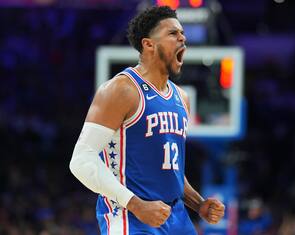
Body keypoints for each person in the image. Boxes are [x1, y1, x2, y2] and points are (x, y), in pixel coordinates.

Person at [69, 5, 225, 235]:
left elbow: (170, 169)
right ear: (148, 44)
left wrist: (198, 203)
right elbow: (81, 160)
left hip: (176, 217)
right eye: (173, 33)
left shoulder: (181, 98)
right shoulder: (121, 89)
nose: (182, 38)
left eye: (182, 33)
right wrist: (136, 204)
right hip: (130, 215)